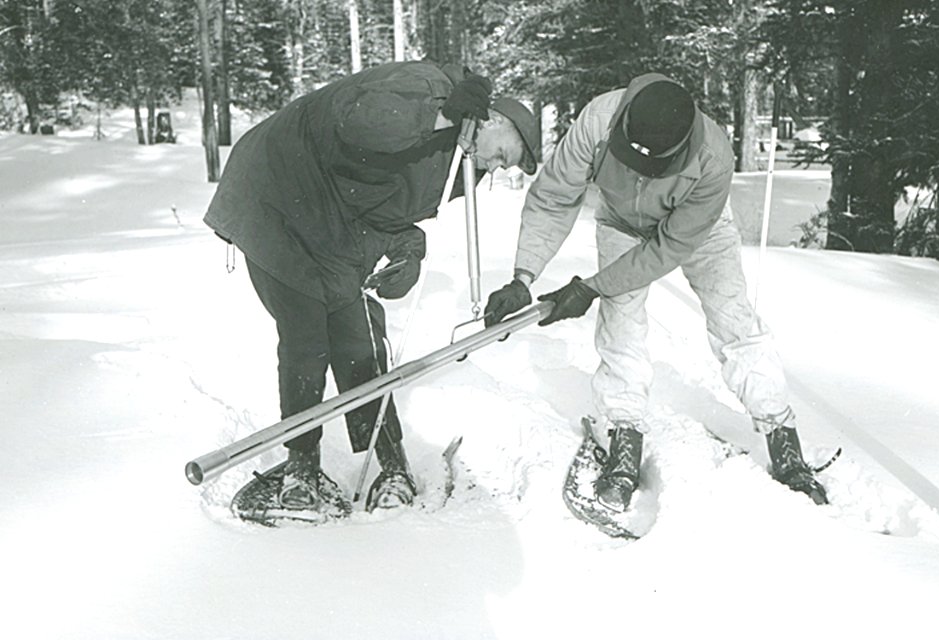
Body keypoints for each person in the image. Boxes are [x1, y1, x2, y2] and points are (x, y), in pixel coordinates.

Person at [204, 61, 540, 513]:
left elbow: (389, 209)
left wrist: (409, 249)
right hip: (277, 193)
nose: (498, 168)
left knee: (358, 336)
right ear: (496, 120)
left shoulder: (464, 166)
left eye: (505, 166)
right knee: (307, 332)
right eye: (504, 154)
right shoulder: (429, 87)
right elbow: (356, 121)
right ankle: (301, 468)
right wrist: (440, 116)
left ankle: (390, 463)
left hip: (331, 220)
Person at [483, 73, 828, 512]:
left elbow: (666, 249)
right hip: (621, 220)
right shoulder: (598, 121)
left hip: (698, 230)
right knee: (620, 325)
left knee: (734, 320)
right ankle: (624, 435)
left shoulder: (712, 157)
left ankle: (783, 437)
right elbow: (554, 196)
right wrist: (523, 276)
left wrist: (591, 287)